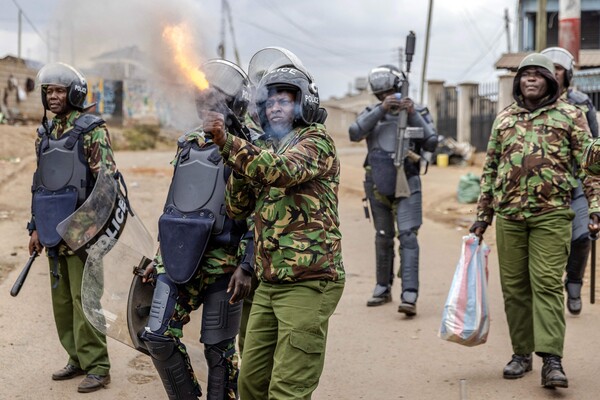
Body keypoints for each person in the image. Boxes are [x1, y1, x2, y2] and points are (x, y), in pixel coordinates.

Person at [206, 53, 345, 399]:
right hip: (269, 281)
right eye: (269, 102)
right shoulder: (264, 147)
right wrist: (239, 155)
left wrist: (231, 144)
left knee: (287, 389)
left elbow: (282, 170)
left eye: (284, 100)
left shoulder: (315, 142)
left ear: (304, 104)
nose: (274, 108)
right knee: (251, 383)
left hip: (308, 281)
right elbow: (237, 206)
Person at [470, 53, 600, 389]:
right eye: (524, 74)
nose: (530, 79)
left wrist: (595, 206)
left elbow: (589, 166)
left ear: (550, 81)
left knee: (545, 283)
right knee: (514, 290)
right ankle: (521, 354)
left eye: (537, 74)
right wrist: (483, 216)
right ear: (517, 82)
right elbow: (491, 169)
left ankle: (552, 360)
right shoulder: (504, 120)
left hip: (552, 215)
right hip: (509, 217)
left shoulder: (571, 115)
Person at [140, 59, 256, 400]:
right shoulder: (188, 142)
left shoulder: (252, 146)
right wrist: (160, 256)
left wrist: (247, 264)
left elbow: (262, 212)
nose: (206, 107)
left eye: (215, 100)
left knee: (219, 356)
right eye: (201, 100)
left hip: (225, 264)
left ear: (235, 103)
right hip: (181, 257)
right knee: (157, 336)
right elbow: (176, 203)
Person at [27, 62, 112, 393]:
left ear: (74, 94)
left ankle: (99, 365)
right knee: (62, 301)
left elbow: (106, 186)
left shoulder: (93, 130)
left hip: (83, 234)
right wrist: (35, 227)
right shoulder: (45, 135)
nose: (53, 97)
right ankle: (76, 358)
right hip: (52, 232)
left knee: (85, 299)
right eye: (48, 91)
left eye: (59, 90)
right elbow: (40, 185)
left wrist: (89, 230)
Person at [348, 64, 437, 315]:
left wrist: (411, 113)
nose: (386, 97)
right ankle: (382, 286)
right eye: (380, 94)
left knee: (408, 236)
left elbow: (431, 140)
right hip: (377, 182)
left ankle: (409, 294)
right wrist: (381, 109)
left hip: (408, 182)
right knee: (383, 236)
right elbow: (354, 132)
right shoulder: (372, 112)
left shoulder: (417, 110)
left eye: (389, 92)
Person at [541, 46, 599, 315]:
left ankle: (574, 283)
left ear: (568, 74)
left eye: (559, 68)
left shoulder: (582, 102)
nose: (554, 72)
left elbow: (593, 148)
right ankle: (543, 288)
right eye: (549, 67)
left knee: (583, 234)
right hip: (544, 185)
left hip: (577, 183)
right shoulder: (530, 103)